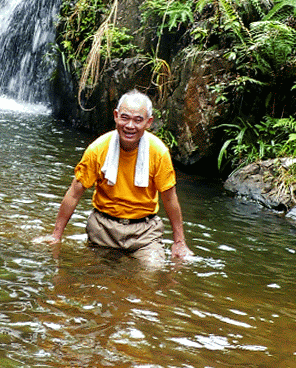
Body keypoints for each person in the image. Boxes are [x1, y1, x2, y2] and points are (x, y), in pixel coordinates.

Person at [47, 89, 194, 264]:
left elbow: (169, 198)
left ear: (149, 122)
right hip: (103, 228)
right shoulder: (98, 149)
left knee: (152, 272)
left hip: (145, 232)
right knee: (95, 274)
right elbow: (74, 193)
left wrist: (179, 243)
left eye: (138, 120)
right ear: (116, 116)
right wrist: (56, 236)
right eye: (125, 118)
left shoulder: (158, 152)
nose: (130, 126)